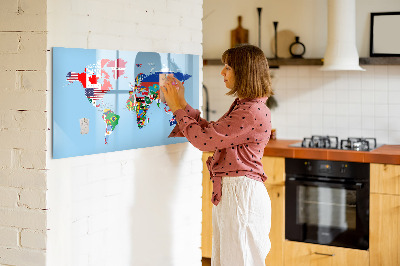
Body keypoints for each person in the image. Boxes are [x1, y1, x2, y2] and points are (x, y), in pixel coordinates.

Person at [161, 44, 273, 266]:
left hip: (241, 195)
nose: (222, 72)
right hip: (236, 193)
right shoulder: (246, 106)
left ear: (244, 72)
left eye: (228, 67)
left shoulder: (250, 111)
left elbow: (204, 141)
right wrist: (182, 104)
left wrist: (177, 109)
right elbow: (212, 133)